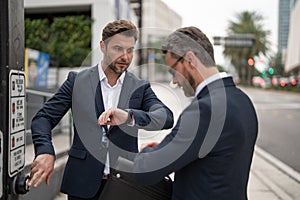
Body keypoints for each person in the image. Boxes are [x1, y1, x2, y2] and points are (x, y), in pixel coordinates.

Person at [28, 19, 174, 200]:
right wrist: (45, 150)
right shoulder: (77, 81)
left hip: (125, 185)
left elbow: (166, 117)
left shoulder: (140, 87)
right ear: (103, 46)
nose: (125, 57)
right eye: (118, 49)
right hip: (82, 183)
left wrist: (129, 116)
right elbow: (43, 118)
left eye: (130, 50)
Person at [133, 26, 258, 200]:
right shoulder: (243, 100)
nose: (174, 82)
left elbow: (145, 171)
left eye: (173, 72)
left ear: (190, 59)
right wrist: (165, 149)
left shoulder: (204, 110)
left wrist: (147, 154)